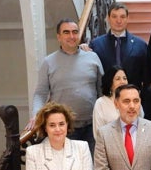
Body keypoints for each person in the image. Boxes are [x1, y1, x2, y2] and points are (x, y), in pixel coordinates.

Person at [31, 19, 103, 153]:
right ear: (59, 37)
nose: (71, 36)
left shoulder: (93, 57)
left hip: (92, 127)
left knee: (91, 169)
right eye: (66, 32)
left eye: (75, 32)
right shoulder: (48, 62)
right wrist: (36, 114)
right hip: (64, 129)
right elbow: (40, 93)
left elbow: (101, 91)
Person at [89, 3, 149, 89]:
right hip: (106, 96)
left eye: (122, 17)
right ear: (108, 19)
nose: (118, 21)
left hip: (132, 97)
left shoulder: (140, 45)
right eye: (114, 16)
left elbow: (146, 76)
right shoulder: (96, 45)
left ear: (128, 19)